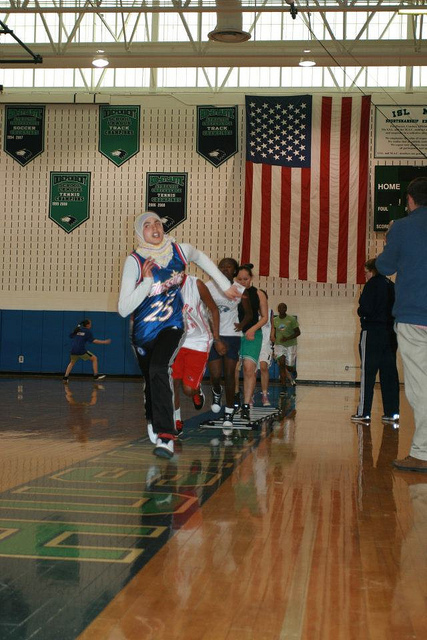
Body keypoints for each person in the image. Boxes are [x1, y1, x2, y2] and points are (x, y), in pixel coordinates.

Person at [118, 212, 241, 459]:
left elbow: (203, 259)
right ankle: (153, 419)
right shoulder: (134, 262)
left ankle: (166, 435)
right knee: (150, 379)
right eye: (147, 225)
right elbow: (123, 309)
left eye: (157, 222)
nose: (154, 227)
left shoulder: (180, 251)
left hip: (172, 326)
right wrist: (147, 282)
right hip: (143, 331)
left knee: (160, 369)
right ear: (139, 233)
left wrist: (224, 285)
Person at [376, 176, 427, 472]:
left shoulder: (403, 227)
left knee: (420, 387)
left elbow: (384, 267)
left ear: (409, 200)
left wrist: (389, 239)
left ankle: (422, 451)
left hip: (415, 317)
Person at [171, 274, 227, 436]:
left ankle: (196, 390)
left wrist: (217, 338)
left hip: (198, 341)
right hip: (175, 341)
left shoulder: (196, 285)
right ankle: (176, 419)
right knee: (172, 382)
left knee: (188, 389)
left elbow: (214, 309)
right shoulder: (161, 287)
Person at [351, 258, 400, 425]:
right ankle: (392, 413)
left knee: (368, 373)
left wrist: (360, 311)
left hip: (372, 332)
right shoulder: (391, 286)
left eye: (365, 272)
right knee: (389, 374)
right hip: (390, 334)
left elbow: (365, 308)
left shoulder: (371, 285)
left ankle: (364, 412)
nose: (364, 275)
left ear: (372, 271)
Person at [207, 258, 251, 436]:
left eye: (229, 266)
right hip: (213, 335)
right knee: (216, 375)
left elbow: (249, 313)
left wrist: (242, 324)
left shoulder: (239, 289)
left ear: (234, 271)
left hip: (232, 336)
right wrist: (214, 335)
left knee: (230, 375)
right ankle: (216, 391)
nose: (225, 269)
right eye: (222, 266)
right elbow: (205, 311)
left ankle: (229, 413)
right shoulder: (209, 286)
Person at [234, 264, 268, 421]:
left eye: (245, 279)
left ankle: (246, 405)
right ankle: (235, 397)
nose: (242, 282)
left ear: (251, 278)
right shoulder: (231, 292)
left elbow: (265, 317)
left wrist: (253, 329)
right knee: (232, 368)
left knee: (249, 369)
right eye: (239, 279)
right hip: (233, 333)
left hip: (252, 334)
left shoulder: (258, 294)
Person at [272, 303, 301, 388]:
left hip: (290, 345)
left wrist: (287, 338)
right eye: (280, 308)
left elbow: (298, 332)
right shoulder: (275, 320)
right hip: (279, 344)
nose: (281, 309)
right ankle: (283, 385)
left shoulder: (291, 319)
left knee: (288, 367)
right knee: (281, 364)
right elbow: (273, 331)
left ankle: (293, 370)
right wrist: (272, 337)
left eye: (283, 308)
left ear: (286, 309)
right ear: (278, 309)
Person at [257, 290, 275, 407]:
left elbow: (273, 325)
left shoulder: (270, 312)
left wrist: (273, 335)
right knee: (252, 372)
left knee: (263, 367)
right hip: (253, 343)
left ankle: (264, 395)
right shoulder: (252, 312)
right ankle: (250, 397)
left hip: (265, 344)